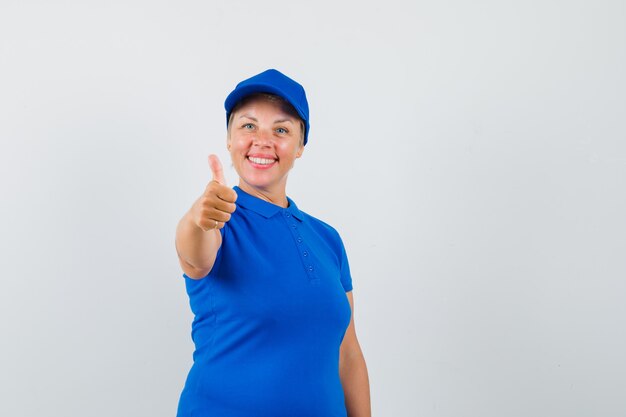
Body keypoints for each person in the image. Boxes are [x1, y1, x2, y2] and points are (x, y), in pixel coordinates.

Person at [174, 69, 371, 417]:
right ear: (230, 139)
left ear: (300, 147)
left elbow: (348, 353)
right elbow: (195, 256)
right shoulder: (218, 220)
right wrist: (198, 218)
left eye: (281, 130)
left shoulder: (327, 239)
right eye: (248, 126)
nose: (262, 140)